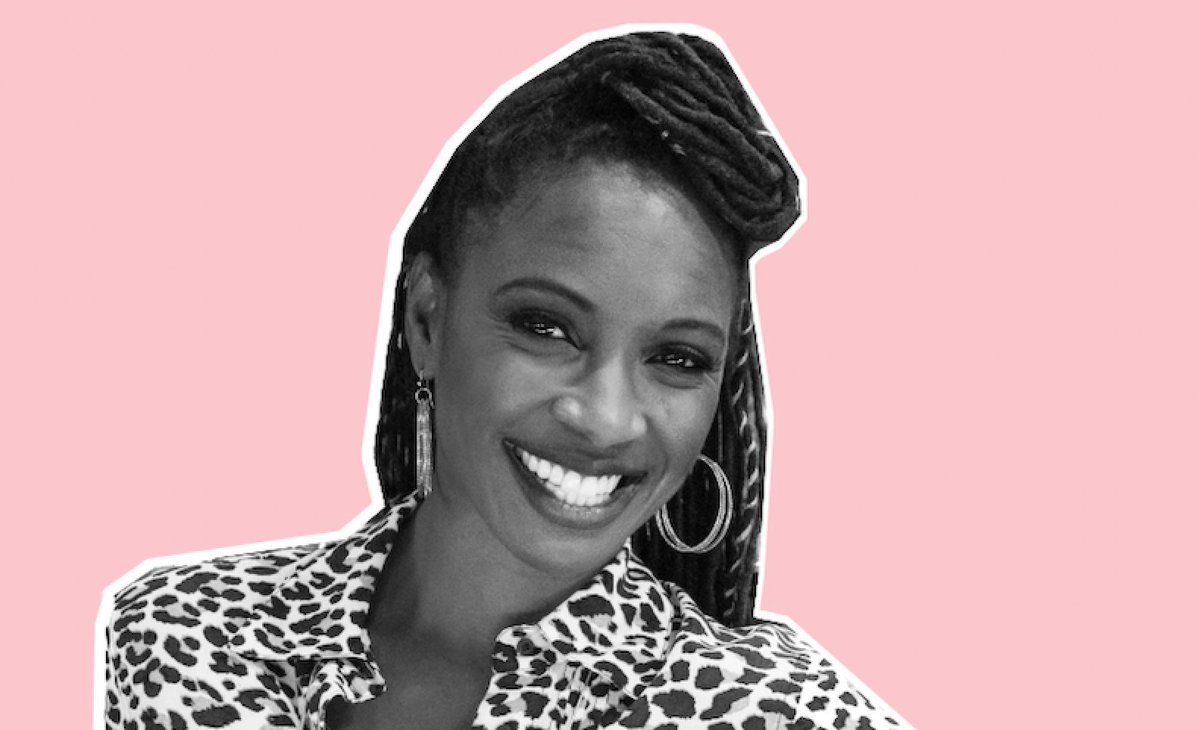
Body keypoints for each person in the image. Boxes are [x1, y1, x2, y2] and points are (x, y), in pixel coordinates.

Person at [102, 29, 907, 729]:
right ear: (427, 319)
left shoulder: (772, 711)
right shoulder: (183, 634)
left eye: (677, 359)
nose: (607, 418)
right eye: (546, 327)